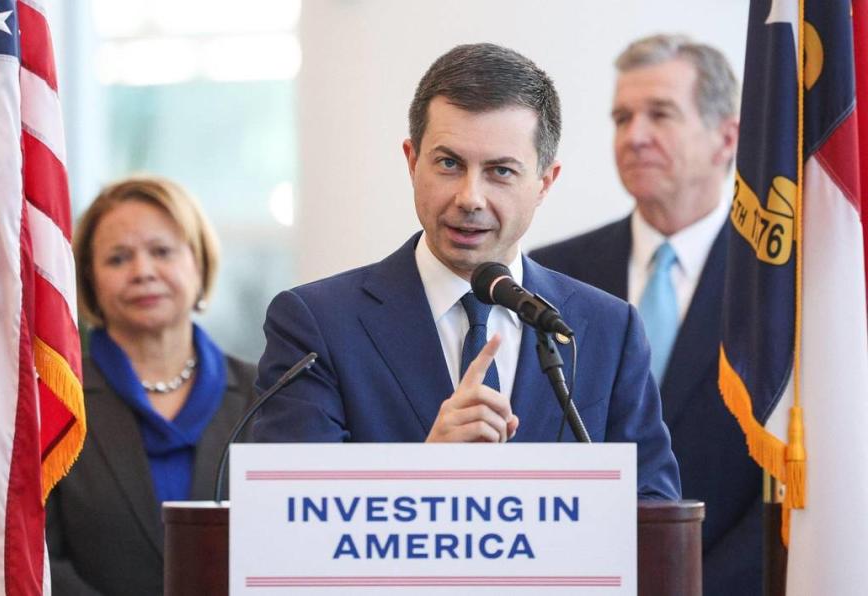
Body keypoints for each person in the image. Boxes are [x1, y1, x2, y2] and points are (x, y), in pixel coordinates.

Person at [253, 43, 681, 501]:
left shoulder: (606, 330)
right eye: (449, 163)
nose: (469, 197)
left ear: (544, 183)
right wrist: (426, 470)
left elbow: (653, 513)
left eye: (499, 171)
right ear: (412, 161)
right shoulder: (316, 325)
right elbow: (288, 517)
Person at [529, 35, 759, 595]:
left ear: (726, 138)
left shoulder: (778, 284)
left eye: (660, 114)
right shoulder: (549, 277)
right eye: (621, 117)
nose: (634, 136)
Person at [46, 176, 257, 595]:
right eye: (118, 259)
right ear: (89, 279)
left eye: (161, 252)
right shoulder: (54, 401)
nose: (142, 272)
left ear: (198, 263)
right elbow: (38, 560)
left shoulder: (268, 395)